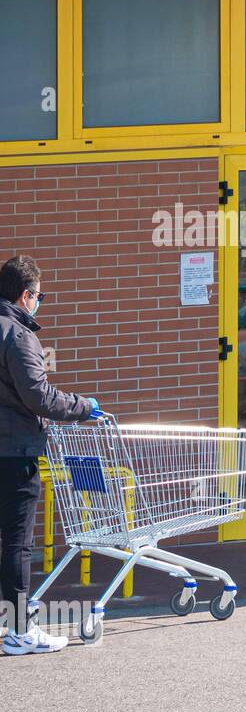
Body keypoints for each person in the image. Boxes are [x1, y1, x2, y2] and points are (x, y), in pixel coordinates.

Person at [0, 256, 99, 655]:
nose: (39, 303)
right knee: (17, 544)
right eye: (39, 296)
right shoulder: (18, 336)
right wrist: (83, 406)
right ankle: (20, 630)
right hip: (15, 452)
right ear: (26, 295)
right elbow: (39, 397)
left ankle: (11, 615)